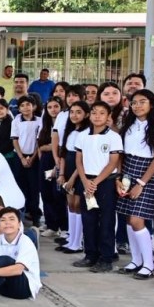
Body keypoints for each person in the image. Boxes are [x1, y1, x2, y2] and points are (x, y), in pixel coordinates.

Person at [116, 90, 154, 280]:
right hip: (128, 170)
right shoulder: (129, 124)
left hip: (148, 174)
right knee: (128, 219)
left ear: (152, 104)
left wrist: (141, 182)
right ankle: (136, 260)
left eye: (142, 102)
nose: (137, 106)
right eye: (134, 102)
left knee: (137, 220)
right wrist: (119, 177)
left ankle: (148, 264)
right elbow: (121, 153)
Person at [71, 101, 123, 273]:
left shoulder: (113, 137)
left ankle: (106, 257)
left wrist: (96, 182)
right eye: (94, 112)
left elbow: (113, 162)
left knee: (106, 220)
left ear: (108, 116)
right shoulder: (82, 135)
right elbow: (79, 161)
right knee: (88, 219)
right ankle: (90, 254)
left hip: (105, 182)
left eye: (102, 113)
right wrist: (85, 181)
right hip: (86, 181)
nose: (97, 116)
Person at [57, 101, 91, 255]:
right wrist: (62, 174)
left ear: (86, 114)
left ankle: (78, 242)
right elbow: (64, 154)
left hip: (79, 172)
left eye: (79, 112)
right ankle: (71, 239)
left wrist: (72, 178)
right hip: (68, 170)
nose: (74, 115)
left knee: (78, 204)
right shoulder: (70, 131)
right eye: (72, 112)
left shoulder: (87, 132)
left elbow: (82, 159)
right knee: (70, 204)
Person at [37, 97, 66, 239]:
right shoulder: (44, 125)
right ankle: (51, 225)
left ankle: (64, 226)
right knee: (46, 193)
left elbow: (61, 146)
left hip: (59, 161)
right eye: (50, 107)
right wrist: (47, 148)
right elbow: (40, 146)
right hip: (45, 162)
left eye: (56, 106)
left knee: (58, 194)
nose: (53, 110)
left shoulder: (65, 123)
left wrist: (49, 147)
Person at [10, 95, 42, 226]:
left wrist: (32, 157)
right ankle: (22, 214)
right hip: (19, 157)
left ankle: (35, 215)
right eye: (22, 105)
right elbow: (15, 140)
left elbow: (39, 141)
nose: (25, 108)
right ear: (19, 108)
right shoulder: (16, 120)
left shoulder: (40, 120)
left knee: (34, 187)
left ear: (34, 106)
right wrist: (22, 158)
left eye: (28, 105)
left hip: (34, 156)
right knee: (20, 185)